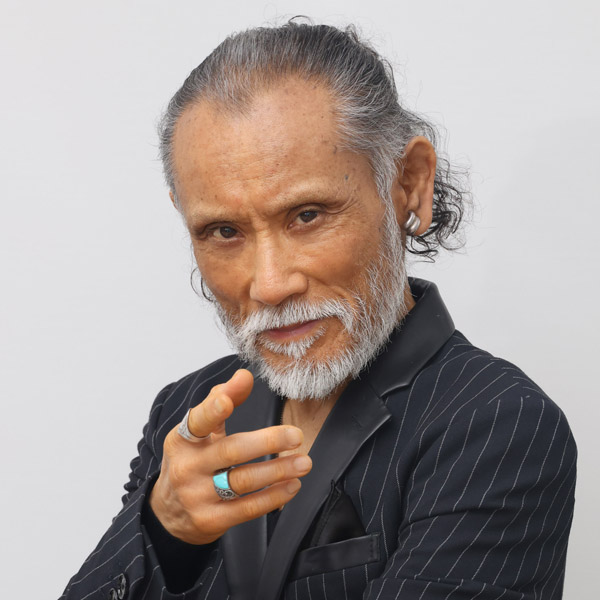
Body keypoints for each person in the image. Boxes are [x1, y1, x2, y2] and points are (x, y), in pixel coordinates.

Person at [60, 21, 576, 600]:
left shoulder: (498, 423)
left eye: (307, 216)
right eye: (224, 231)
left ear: (409, 184)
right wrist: (164, 525)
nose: (270, 284)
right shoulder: (184, 410)